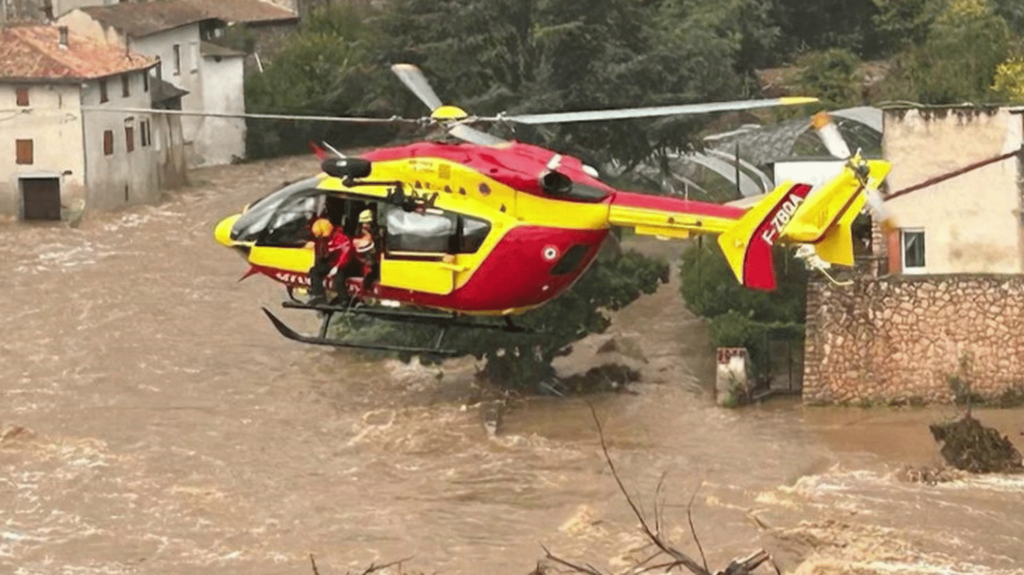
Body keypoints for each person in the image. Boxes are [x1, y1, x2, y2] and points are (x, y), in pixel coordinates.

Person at [307, 217, 353, 305]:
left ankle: (344, 299)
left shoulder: (341, 238)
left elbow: (346, 253)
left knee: (339, 278)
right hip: (330, 263)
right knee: (314, 271)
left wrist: (337, 266)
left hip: (343, 265)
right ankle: (318, 295)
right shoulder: (322, 240)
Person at [353, 209, 378, 286]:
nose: (365, 225)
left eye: (367, 223)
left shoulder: (376, 234)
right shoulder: (359, 235)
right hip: (362, 265)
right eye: (363, 223)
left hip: (373, 265)